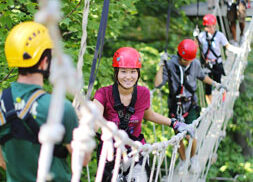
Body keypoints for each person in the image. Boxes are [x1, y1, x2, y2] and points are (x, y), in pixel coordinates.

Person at [0, 21, 90, 181]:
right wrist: (85, 125)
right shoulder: (60, 108)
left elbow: (3, 161)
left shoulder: (1, 102)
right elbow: (82, 160)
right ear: (44, 61)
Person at [93, 47, 194, 181]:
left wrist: (174, 123)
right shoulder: (103, 94)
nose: (128, 77)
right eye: (123, 71)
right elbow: (94, 117)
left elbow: (148, 114)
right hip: (110, 153)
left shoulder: (143, 94)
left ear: (138, 73)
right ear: (116, 72)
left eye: (133, 72)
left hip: (136, 151)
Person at [154, 39, 225, 173]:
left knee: (191, 135)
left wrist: (216, 84)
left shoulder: (195, 63)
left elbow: (202, 77)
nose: (188, 62)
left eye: (190, 60)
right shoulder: (170, 65)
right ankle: (182, 161)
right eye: (186, 60)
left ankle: (193, 158)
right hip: (175, 106)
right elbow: (158, 84)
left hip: (190, 105)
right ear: (180, 56)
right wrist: (162, 66)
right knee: (177, 138)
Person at [196, 14, 242, 104]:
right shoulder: (201, 36)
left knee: (219, 84)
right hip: (207, 65)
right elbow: (195, 47)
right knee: (208, 88)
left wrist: (238, 51)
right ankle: (211, 106)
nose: (211, 28)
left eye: (212, 26)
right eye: (208, 27)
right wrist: (195, 38)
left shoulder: (219, 35)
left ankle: (221, 102)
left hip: (217, 64)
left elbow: (228, 46)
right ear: (205, 27)